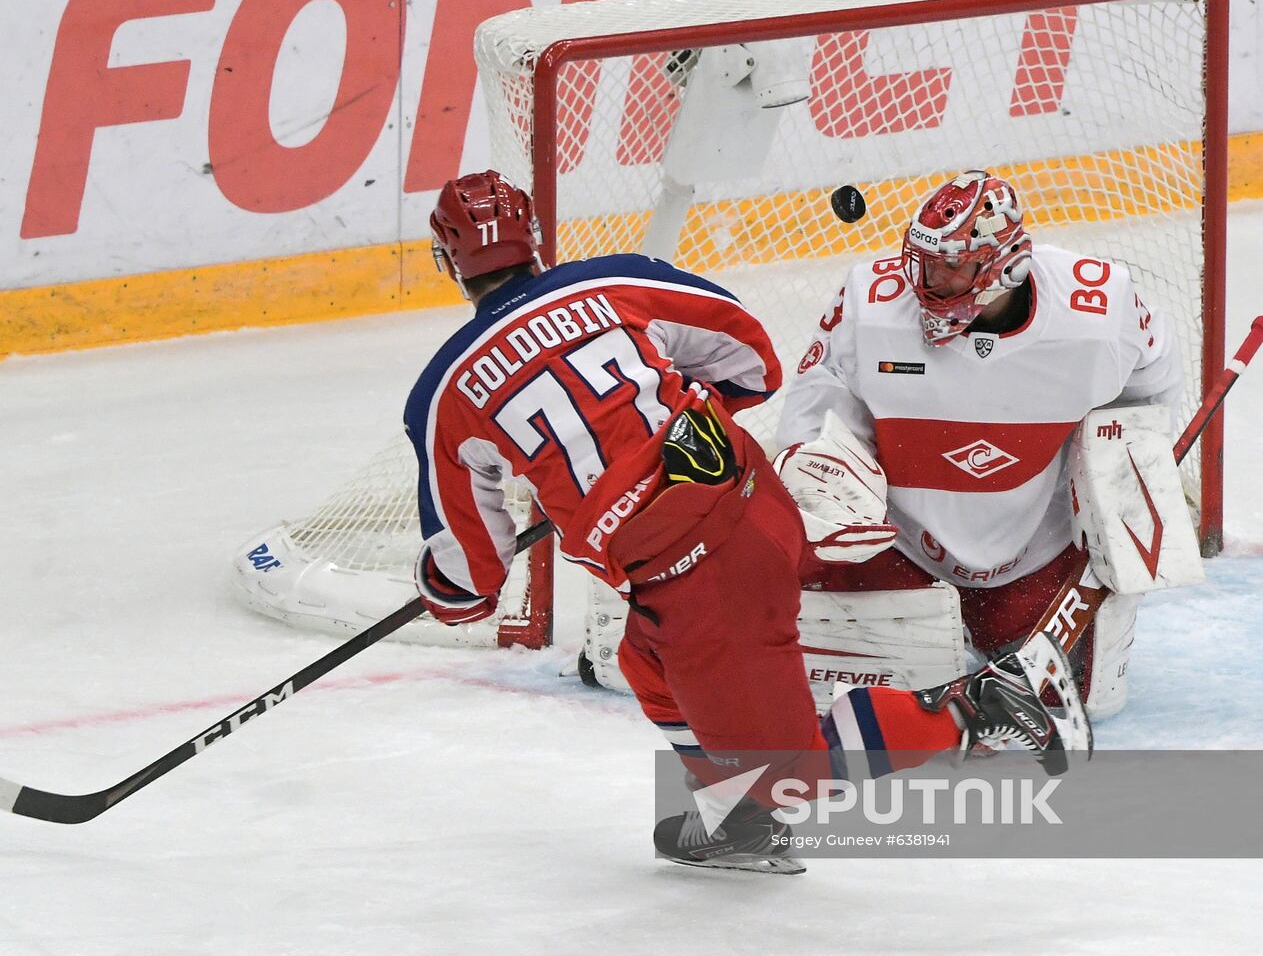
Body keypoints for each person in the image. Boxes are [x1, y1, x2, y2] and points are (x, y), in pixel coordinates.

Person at [406, 170, 1087, 875]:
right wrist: (658, 438)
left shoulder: (444, 393)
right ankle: (737, 824)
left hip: (698, 577)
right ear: (536, 239)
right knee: (648, 662)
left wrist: (441, 583)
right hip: (758, 501)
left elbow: (470, 578)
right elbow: (750, 361)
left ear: (448, 262)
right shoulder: (611, 282)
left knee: (790, 773)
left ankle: (984, 706)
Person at [777, 170, 1185, 722]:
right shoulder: (868, 302)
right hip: (897, 550)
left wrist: (1125, 474)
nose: (923, 283)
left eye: (948, 268)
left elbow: (1150, 388)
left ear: (1007, 268)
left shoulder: (1097, 309)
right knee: (849, 698)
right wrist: (823, 496)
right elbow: (810, 417)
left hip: (1033, 556)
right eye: (920, 261)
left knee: (1082, 701)